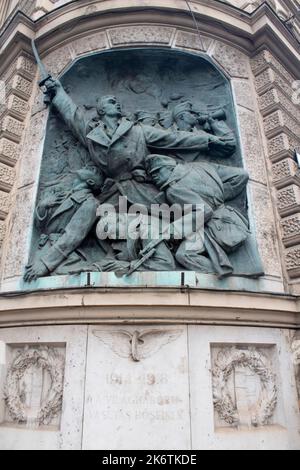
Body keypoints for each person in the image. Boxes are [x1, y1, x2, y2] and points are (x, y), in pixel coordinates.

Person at [42, 80, 236, 209]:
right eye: (111, 102)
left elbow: (174, 138)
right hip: (112, 191)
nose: (117, 104)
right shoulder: (92, 133)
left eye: (117, 102)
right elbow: (72, 115)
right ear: (101, 110)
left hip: (140, 188)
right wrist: (57, 92)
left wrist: (208, 140)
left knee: (171, 214)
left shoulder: (139, 130)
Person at [146, 154, 250, 278]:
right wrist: (217, 196)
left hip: (212, 227)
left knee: (184, 255)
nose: (154, 177)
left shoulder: (174, 189)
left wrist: (172, 231)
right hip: (232, 218)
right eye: (152, 175)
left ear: (169, 167)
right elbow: (241, 175)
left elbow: (204, 211)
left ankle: (220, 278)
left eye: (157, 171)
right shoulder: (202, 166)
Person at [24, 168, 104, 281]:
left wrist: (45, 264)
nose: (74, 180)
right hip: (42, 248)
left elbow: (72, 236)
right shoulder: (64, 196)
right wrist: (43, 206)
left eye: (78, 178)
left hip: (59, 257)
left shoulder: (91, 204)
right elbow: (40, 227)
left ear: (90, 182)